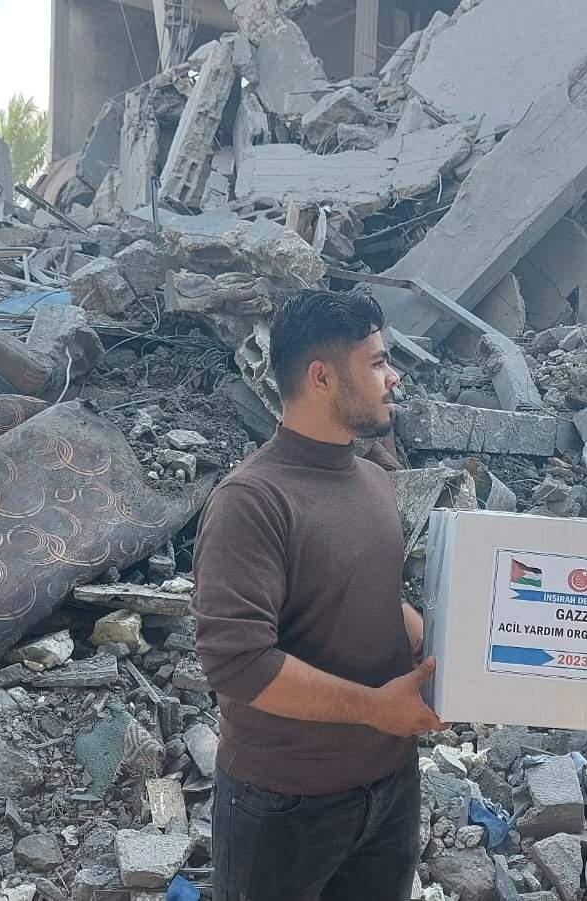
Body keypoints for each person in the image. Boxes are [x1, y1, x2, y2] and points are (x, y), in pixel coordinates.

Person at [193, 288, 441, 901]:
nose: (395, 377)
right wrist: (375, 708)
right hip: (284, 804)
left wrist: (433, 640)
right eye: (377, 362)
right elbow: (238, 663)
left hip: (390, 788)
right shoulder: (252, 501)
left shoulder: (374, 480)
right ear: (322, 377)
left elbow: (368, 593)